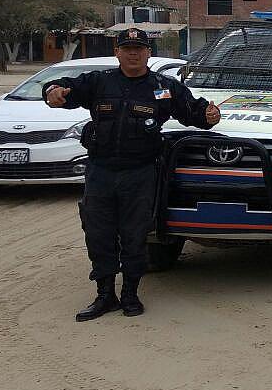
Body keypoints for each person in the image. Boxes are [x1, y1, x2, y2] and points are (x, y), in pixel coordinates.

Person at [43, 28, 221, 321]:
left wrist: (209, 116)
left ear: (148, 53)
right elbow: (62, 88)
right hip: (101, 172)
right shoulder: (99, 82)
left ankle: (130, 294)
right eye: (127, 49)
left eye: (139, 49)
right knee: (98, 233)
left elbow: (194, 112)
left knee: (135, 234)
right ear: (118, 53)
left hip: (140, 172)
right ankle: (104, 295)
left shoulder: (163, 87)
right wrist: (53, 91)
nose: (133, 54)